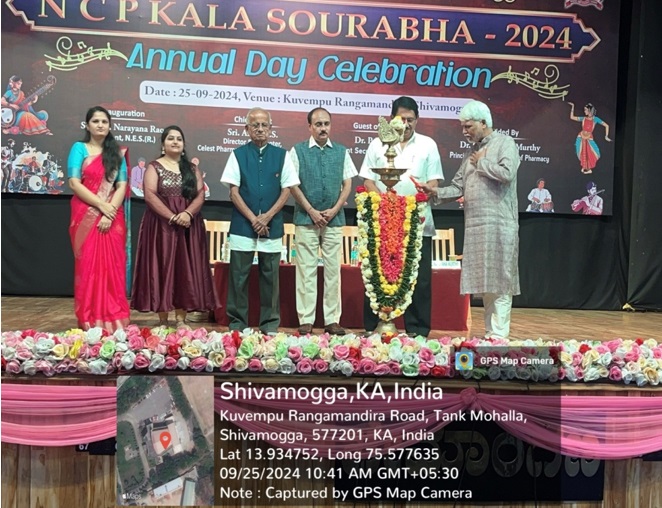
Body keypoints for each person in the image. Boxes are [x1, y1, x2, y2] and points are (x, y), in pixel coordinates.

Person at [419, 100, 520, 340]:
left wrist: (481, 163)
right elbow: (458, 187)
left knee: (500, 281)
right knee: (486, 284)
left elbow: (507, 173)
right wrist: (435, 192)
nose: (464, 131)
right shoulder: (471, 154)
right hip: (476, 226)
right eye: (462, 127)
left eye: (468, 126)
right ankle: (491, 335)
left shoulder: (505, 143)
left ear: (483, 122)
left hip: (500, 224)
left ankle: (499, 336)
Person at [359, 96, 444, 337]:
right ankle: (374, 326)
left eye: (410, 120)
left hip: (416, 222)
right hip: (382, 222)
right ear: (391, 119)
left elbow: (434, 182)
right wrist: (386, 205)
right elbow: (368, 180)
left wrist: (411, 204)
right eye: (401, 119)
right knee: (377, 272)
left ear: (417, 120)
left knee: (419, 278)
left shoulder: (428, 145)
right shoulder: (377, 144)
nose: (405, 124)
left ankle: (418, 330)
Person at [220, 108, 299, 334]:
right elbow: (233, 192)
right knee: (238, 277)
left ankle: (269, 324)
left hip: (272, 225)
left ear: (271, 128)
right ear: (247, 129)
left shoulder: (282, 156)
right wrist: (254, 219)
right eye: (255, 125)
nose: (260, 129)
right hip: (243, 224)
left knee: (271, 278)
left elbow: (287, 190)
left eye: (264, 125)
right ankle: (237, 323)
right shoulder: (237, 155)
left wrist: (267, 217)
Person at [131, 126, 215, 327]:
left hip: (188, 226)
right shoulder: (154, 167)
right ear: (163, 144)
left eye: (179, 138)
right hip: (161, 226)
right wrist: (172, 217)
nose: (175, 142)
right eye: (170, 138)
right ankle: (162, 319)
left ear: (184, 145)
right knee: (161, 267)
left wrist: (187, 214)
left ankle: (180, 319)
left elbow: (200, 195)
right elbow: (150, 195)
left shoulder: (191, 169)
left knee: (183, 271)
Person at [289, 107, 357, 335]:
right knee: (305, 271)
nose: (323, 128)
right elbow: (292, 184)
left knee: (333, 271)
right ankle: (306, 319)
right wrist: (311, 210)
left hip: (334, 220)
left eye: (326, 124)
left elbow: (347, 184)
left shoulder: (341, 151)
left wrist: (335, 209)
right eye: (318, 124)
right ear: (309, 127)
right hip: (305, 218)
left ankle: (332, 320)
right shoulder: (297, 151)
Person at [67, 106, 130, 331]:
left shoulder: (117, 153)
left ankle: (114, 318)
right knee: (88, 267)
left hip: (113, 215)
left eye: (104, 121)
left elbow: (122, 185)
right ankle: (89, 318)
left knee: (113, 267)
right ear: (87, 125)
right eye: (95, 121)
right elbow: (74, 183)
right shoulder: (79, 148)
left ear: (110, 125)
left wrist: (109, 212)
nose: (100, 125)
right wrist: (101, 206)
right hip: (86, 213)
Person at [568, 102, 611, 174]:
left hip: (589, 138)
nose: (584, 111)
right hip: (581, 137)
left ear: (590, 110)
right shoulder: (583, 118)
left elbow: (607, 126)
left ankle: (589, 168)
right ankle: (585, 167)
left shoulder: (595, 119)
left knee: (592, 152)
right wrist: (573, 106)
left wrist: (606, 136)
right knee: (582, 152)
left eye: (585, 110)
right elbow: (572, 117)